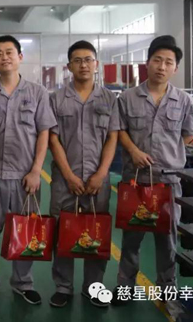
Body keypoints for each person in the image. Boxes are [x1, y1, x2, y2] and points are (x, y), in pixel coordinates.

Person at [0, 35, 56, 306]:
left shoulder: (37, 93)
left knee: (26, 232)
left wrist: (37, 170)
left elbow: (44, 132)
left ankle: (23, 283)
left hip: (25, 178)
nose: (4, 57)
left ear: (20, 57)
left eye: (9, 52)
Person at [113, 35, 193, 305]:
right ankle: (125, 287)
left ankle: (167, 290)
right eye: (157, 60)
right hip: (136, 180)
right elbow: (119, 130)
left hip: (169, 182)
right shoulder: (127, 98)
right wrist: (134, 151)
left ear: (175, 68)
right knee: (131, 238)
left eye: (168, 62)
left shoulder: (184, 101)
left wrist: (169, 154)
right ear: (147, 63)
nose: (162, 66)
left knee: (167, 239)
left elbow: (189, 134)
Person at [48, 41, 120, 308]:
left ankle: (93, 287)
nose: (83, 65)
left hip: (97, 180)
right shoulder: (56, 99)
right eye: (77, 60)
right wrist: (68, 175)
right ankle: (63, 287)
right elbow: (53, 139)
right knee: (62, 230)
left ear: (96, 64)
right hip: (64, 179)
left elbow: (112, 138)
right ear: (69, 66)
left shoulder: (109, 99)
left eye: (88, 59)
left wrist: (101, 174)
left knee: (96, 231)